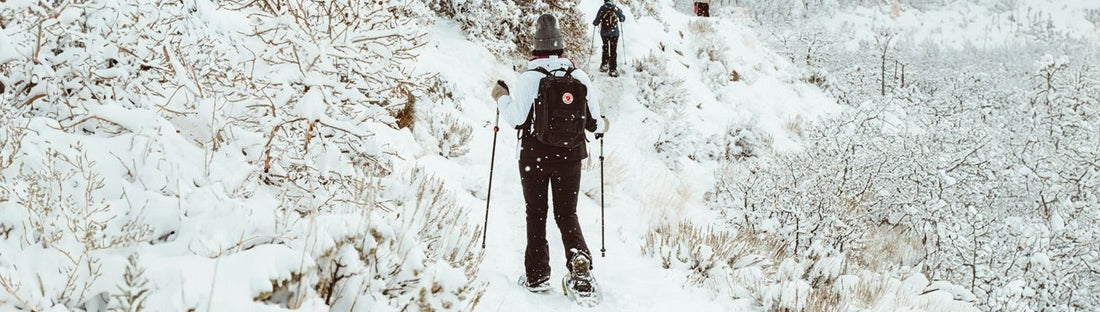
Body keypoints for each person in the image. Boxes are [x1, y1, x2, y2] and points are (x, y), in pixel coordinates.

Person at [491, 13, 608, 296]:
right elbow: (595, 124)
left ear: (536, 47)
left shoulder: (529, 79)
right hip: (570, 157)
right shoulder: (579, 77)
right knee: (567, 213)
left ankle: (537, 275)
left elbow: (517, 120)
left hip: (534, 157)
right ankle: (579, 262)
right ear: (561, 47)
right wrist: (605, 124)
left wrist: (501, 96)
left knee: (536, 213)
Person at [593, 0, 626, 77]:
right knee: (613, 50)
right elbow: (622, 19)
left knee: (605, 48)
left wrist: (595, 22)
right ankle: (613, 69)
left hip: (604, 33)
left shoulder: (602, 8)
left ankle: (604, 65)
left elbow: (596, 21)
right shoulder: (615, 8)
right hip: (615, 33)